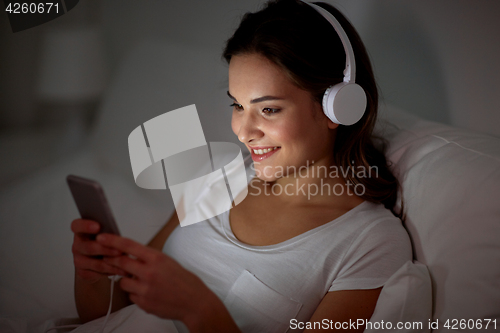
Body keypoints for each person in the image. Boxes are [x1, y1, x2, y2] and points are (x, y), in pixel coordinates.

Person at [70, 0, 412, 332]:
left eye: (269, 109)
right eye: (238, 105)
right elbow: (106, 314)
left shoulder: (370, 243)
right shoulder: (217, 173)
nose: (243, 132)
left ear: (337, 107)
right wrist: (93, 277)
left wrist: (198, 309)